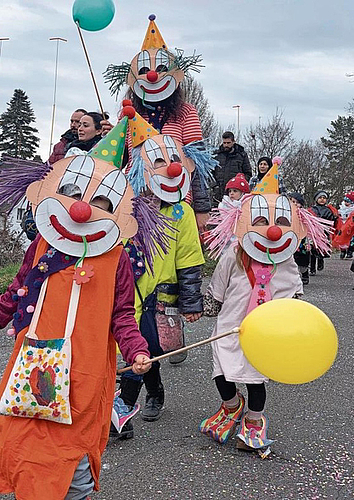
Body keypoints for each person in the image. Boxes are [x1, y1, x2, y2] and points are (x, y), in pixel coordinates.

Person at [0, 124, 156, 499]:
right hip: (32, 361)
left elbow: (122, 313)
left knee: (74, 450)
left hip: (83, 372)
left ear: (115, 210)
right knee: (24, 442)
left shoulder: (117, 257)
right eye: (74, 195)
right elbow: (16, 291)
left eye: (101, 202)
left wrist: (136, 349)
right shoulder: (43, 243)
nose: (84, 208)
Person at [200, 163, 330, 456]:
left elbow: (293, 295)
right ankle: (232, 405)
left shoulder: (286, 263)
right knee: (222, 371)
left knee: (256, 378)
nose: (270, 231)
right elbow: (218, 287)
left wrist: (293, 321)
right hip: (230, 326)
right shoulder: (232, 257)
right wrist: (208, 305)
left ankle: (255, 420)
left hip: (266, 335)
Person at [110, 106, 210, 439]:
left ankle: (125, 408)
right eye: (156, 162)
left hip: (148, 289)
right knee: (133, 346)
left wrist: (190, 301)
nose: (169, 168)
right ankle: (145, 388)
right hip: (114, 286)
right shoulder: (121, 201)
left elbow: (189, 257)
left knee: (143, 344)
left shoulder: (180, 211)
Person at [103, 14, 211, 232]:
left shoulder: (186, 112)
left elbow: (197, 164)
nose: (152, 75)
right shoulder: (128, 115)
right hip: (138, 199)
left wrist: (202, 208)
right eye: (143, 71)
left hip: (177, 197)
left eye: (161, 69)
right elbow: (119, 161)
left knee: (176, 260)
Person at [212, 131, 252, 206]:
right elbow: (210, 173)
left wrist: (239, 185)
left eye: (228, 143)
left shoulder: (241, 155)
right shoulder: (216, 155)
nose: (226, 145)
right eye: (224, 143)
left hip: (236, 195)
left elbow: (248, 173)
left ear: (233, 142)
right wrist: (214, 186)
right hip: (218, 193)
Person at [309, 190, 337, 275]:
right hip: (314, 233)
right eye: (320, 198)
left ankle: (321, 260)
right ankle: (312, 268)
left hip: (325, 232)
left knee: (322, 249)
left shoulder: (329, 210)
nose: (322, 199)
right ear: (316, 199)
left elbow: (333, 220)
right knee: (313, 250)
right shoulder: (312, 209)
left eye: (324, 198)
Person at [289, 192, 311, 285]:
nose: (294, 204)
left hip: (302, 240)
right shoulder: (285, 213)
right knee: (291, 259)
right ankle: (293, 277)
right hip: (290, 239)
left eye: (297, 202)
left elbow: (310, 229)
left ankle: (304, 272)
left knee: (303, 259)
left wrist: (309, 242)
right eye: (292, 201)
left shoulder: (304, 215)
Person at [338, 191, 354, 259]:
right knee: (342, 239)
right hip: (343, 225)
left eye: (348, 202)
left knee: (351, 240)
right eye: (345, 201)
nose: (346, 203)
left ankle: (350, 251)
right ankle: (343, 251)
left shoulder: (352, 210)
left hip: (351, 226)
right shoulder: (341, 209)